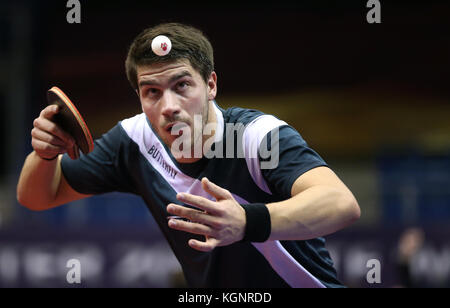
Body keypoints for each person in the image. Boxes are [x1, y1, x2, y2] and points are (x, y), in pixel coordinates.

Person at [17, 22, 360, 288]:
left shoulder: (256, 136)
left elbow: (341, 204)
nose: (169, 107)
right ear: (138, 96)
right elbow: (37, 197)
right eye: (152, 92)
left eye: (181, 86)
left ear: (210, 85)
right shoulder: (133, 140)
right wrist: (45, 155)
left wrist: (246, 222)